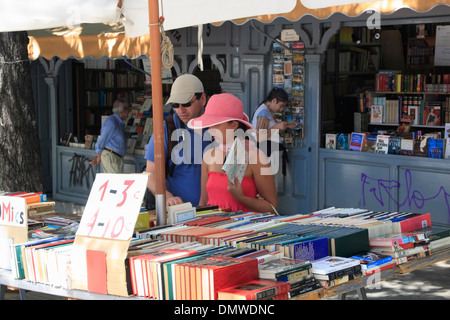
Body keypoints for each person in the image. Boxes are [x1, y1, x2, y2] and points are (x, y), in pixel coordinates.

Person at [188, 93, 277, 213]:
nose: (210, 130)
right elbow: (203, 203)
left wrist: (242, 198)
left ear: (234, 124)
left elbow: (271, 207)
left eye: (216, 124)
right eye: (209, 125)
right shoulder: (209, 156)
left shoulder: (256, 157)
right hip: (213, 229)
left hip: (244, 229)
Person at [145, 74, 210, 207]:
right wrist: (167, 196)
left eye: (186, 103)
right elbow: (151, 173)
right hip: (179, 214)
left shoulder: (218, 126)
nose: (181, 110)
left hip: (218, 213)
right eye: (175, 104)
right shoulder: (167, 129)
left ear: (202, 99)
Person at [251, 88, 294, 176]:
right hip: (266, 155)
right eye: (281, 106)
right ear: (274, 101)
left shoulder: (264, 110)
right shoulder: (264, 113)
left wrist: (280, 126)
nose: (281, 109)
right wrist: (277, 127)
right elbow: (259, 137)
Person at [90, 99, 130, 173]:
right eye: (128, 110)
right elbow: (102, 139)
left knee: (116, 182)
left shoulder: (118, 122)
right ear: (124, 111)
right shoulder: (112, 122)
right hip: (111, 157)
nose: (129, 113)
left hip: (116, 157)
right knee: (115, 183)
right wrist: (98, 156)